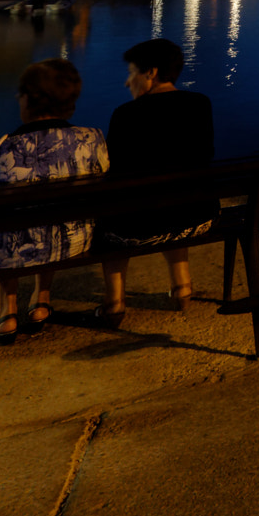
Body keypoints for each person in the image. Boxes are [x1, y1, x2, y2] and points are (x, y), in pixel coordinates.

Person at [0, 59, 109, 343]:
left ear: (27, 100)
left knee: (3, 223)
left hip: (9, 253)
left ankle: (6, 312)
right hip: (75, 240)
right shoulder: (92, 139)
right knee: (52, 213)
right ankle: (41, 300)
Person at [97, 38, 215, 326]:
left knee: (108, 214)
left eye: (131, 73)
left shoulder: (126, 115)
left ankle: (114, 302)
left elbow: (114, 173)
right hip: (198, 218)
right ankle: (182, 287)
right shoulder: (201, 104)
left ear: (150, 73)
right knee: (176, 193)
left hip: (139, 228)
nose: (127, 83)